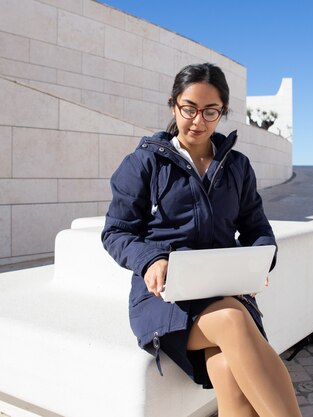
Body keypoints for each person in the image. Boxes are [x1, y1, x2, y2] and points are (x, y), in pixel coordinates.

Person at [101, 63, 302, 417]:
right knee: (234, 322)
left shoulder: (236, 166)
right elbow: (117, 231)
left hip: (224, 290)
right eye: (189, 108)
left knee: (226, 369)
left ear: (222, 111)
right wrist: (149, 260)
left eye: (211, 111)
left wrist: (258, 262)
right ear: (173, 105)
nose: (198, 120)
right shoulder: (144, 163)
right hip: (166, 299)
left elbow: (256, 228)